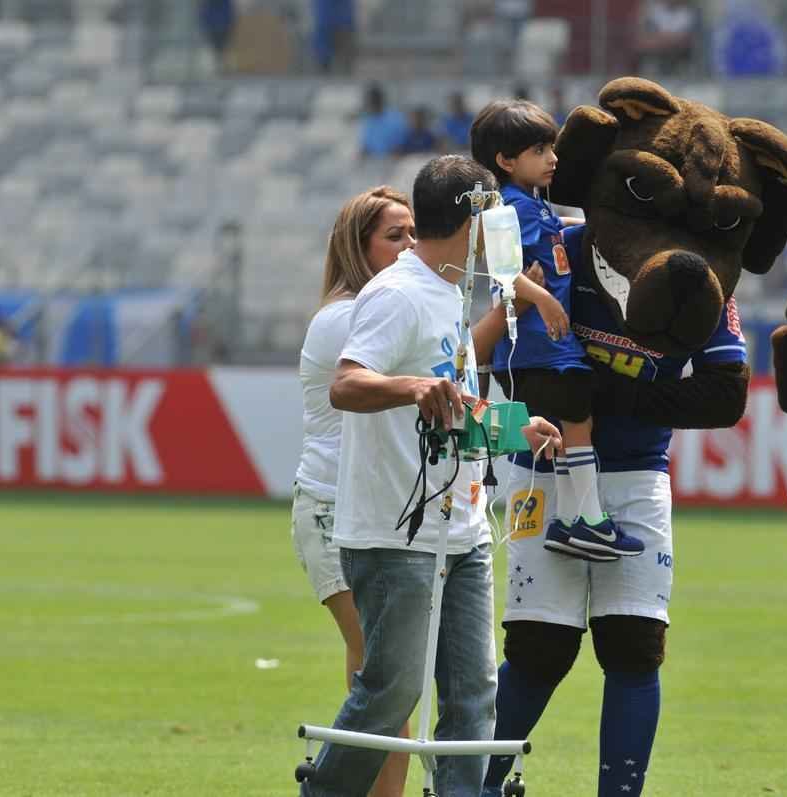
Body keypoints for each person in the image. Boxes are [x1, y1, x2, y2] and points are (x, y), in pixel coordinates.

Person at [299, 155, 562, 797]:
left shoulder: (450, 291)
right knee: (390, 694)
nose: (503, 228)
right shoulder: (398, 294)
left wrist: (514, 426)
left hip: (464, 529)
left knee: (474, 695)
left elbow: (454, 404)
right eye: (495, 214)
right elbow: (347, 384)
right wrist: (412, 386)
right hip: (395, 534)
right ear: (473, 220)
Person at [481, 220, 752, 797]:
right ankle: (472, 783)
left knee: (634, 648)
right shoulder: (564, 249)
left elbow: (726, 395)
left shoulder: (699, 276)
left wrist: (600, 394)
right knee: (538, 649)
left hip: (637, 473)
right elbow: (511, 360)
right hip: (544, 467)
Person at [470, 99, 644, 561]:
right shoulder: (507, 207)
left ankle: (572, 521)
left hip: (547, 347)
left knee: (570, 425)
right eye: (539, 150)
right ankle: (587, 520)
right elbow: (504, 270)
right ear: (506, 160)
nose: (553, 158)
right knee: (579, 416)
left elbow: (556, 232)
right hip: (536, 347)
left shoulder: (533, 205)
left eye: (552, 148)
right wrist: (544, 300)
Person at [292, 186, 417, 797]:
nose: (411, 246)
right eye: (395, 237)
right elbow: (428, 378)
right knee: (385, 672)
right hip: (331, 507)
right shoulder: (349, 317)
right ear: (357, 247)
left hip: (371, 506)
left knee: (380, 669)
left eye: (414, 233)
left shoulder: (380, 308)